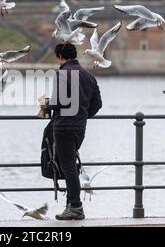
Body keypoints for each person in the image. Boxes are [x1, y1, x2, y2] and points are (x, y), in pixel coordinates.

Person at [42, 43, 102, 220]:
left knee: (69, 168)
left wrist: (47, 104)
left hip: (63, 127)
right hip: (79, 128)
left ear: (61, 56)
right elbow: (97, 104)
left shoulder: (62, 74)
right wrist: (82, 116)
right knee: (70, 165)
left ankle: (75, 207)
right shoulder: (89, 76)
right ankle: (71, 205)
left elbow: (57, 102)